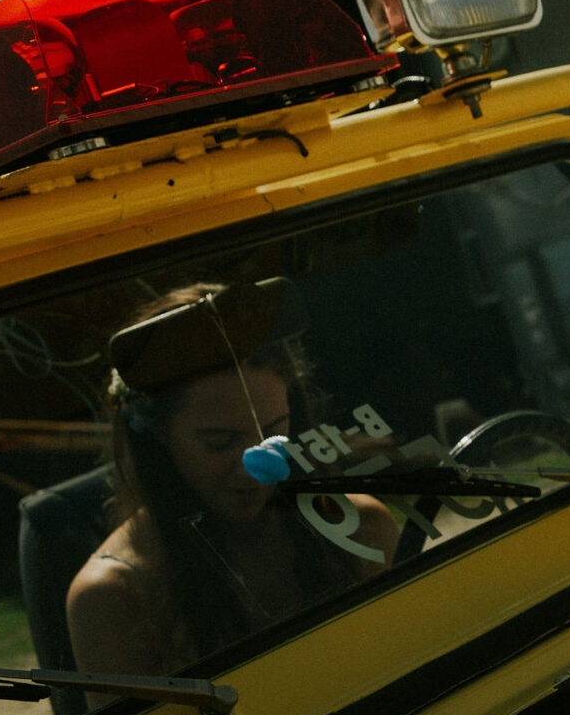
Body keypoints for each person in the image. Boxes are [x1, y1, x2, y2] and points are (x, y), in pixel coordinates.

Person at [67, 282, 399, 684]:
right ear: (158, 435)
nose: (257, 469)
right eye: (220, 442)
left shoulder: (359, 529)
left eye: (275, 433)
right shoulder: (115, 597)